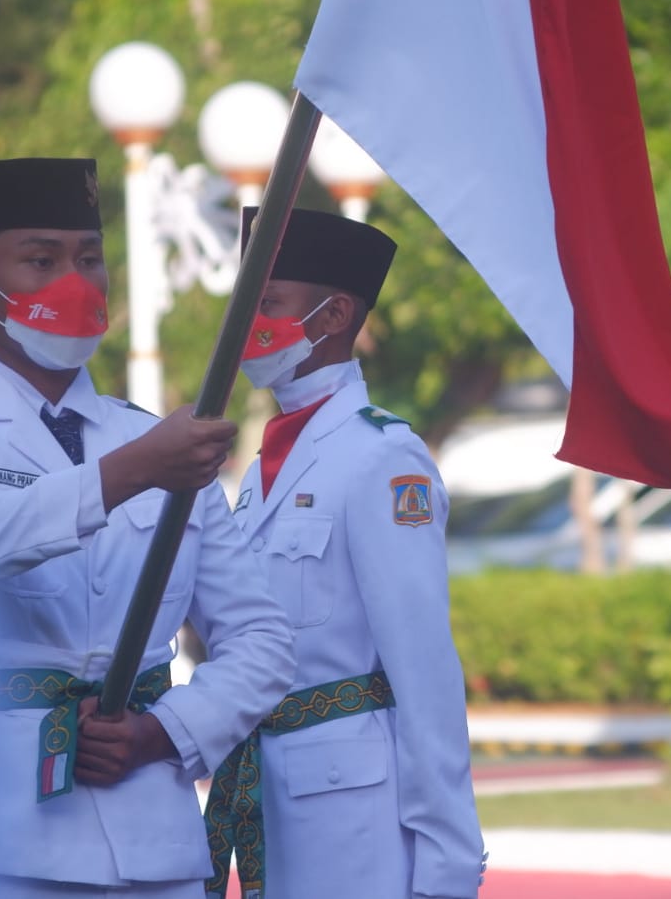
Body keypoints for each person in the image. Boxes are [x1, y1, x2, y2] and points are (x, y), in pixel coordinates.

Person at [0, 157, 295, 897]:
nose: (76, 281)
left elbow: (262, 639)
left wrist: (161, 733)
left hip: (155, 842)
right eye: (40, 260)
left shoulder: (153, 435)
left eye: (90, 259)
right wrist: (131, 471)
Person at [205, 207, 485, 899]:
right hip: (267, 788)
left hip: (352, 806)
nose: (247, 322)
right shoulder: (262, 465)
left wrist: (448, 858)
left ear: (333, 316)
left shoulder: (383, 458)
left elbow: (423, 670)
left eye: (266, 302)